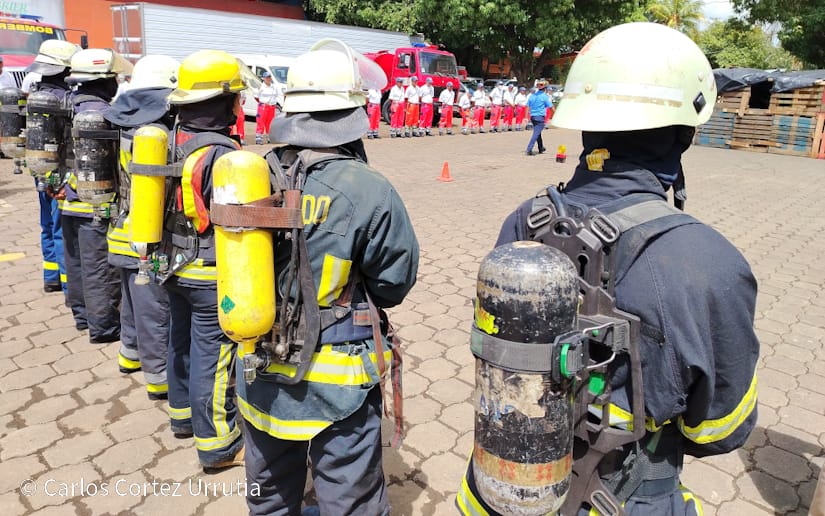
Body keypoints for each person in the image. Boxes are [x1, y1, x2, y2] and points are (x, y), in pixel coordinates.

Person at [456, 22, 759, 516]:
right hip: (623, 498)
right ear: (684, 133)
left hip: (502, 487)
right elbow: (718, 432)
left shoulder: (524, 221)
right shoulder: (709, 263)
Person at [238, 38, 419, 515]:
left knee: (270, 492)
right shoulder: (368, 188)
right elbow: (394, 283)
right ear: (352, 113)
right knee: (349, 496)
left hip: (258, 365)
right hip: (337, 383)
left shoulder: (250, 176)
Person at [160, 49, 248, 470]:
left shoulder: (168, 140)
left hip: (171, 265)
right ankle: (217, 444)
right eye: (236, 97)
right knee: (213, 359)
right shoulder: (225, 156)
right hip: (210, 273)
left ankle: (181, 417)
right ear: (221, 102)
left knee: (180, 343)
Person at [103, 54, 178, 399]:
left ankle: (129, 355)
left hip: (118, 232)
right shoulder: (155, 134)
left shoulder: (117, 123)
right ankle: (159, 378)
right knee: (154, 313)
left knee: (132, 302)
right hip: (145, 238)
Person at [62, 48, 131, 344]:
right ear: (103, 81)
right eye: (113, 77)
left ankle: (81, 316)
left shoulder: (64, 104)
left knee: (77, 263)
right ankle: (103, 328)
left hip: (69, 198)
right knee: (100, 269)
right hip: (97, 205)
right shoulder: (104, 115)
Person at [24, 40, 80, 295]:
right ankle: (70, 286)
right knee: (62, 230)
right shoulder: (66, 100)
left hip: (40, 171)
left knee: (46, 224)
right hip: (62, 175)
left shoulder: (35, 96)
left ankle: (51, 277)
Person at [524, 80, 552, 155]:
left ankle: (541, 147)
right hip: (540, 117)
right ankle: (529, 149)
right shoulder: (545, 97)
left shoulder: (532, 96)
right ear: (545, 89)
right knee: (536, 133)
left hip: (533, 117)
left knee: (538, 132)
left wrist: (526, 117)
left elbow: (527, 106)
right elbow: (551, 107)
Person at [255, 71, 278, 144]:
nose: (269, 79)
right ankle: (259, 138)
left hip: (272, 106)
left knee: (270, 123)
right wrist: (263, 103)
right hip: (263, 106)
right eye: (267, 77)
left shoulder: (274, 87)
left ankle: (269, 137)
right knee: (261, 122)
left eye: (270, 77)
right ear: (263, 78)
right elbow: (256, 97)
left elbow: (276, 95)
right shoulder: (261, 87)